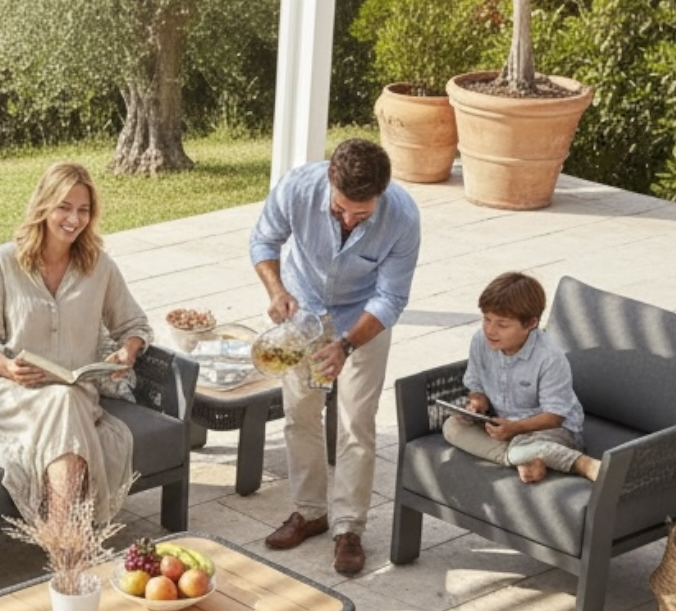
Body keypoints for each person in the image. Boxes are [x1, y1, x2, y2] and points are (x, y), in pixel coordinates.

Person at [250, 136, 421, 577]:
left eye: (361, 215)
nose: (348, 219)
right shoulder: (297, 188)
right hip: (302, 309)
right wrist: (277, 291)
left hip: (362, 319)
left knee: (355, 423)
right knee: (299, 413)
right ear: (330, 181)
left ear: (381, 194)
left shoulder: (402, 217)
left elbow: (391, 297)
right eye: (340, 209)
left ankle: (349, 528)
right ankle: (309, 512)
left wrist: (347, 345)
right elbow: (264, 241)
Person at [0, 160, 150, 524]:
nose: (73, 220)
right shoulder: (5, 262)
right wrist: (7, 367)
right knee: (66, 406)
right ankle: (72, 546)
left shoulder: (100, 267)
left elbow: (134, 324)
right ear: (44, 206)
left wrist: (129, 350)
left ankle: (64, 545)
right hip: (8, 395)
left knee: (65, 400)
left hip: (71, 395)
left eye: (83, 210)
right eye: (64, 207)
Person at [444, 270, 602, 483]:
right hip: (503, 424)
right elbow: (476, 384)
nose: (490, 330)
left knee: (523, 443)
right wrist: (476, 405)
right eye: (487, 319)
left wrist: (516, 429)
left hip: (551, 430)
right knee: (452, 427)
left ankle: (581, 463)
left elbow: (555, 416)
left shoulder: (549, 357)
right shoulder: (480, 341)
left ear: (530, 324)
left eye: (502, 325)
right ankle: (522, 457)